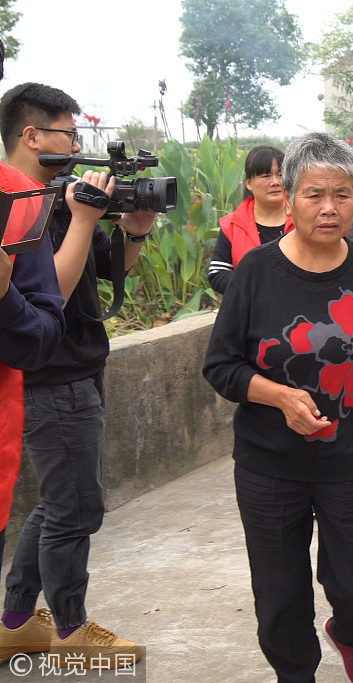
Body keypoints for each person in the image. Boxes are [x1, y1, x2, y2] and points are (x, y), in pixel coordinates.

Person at [204, 132, 353, 683]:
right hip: (269, 463)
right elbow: (221, 366)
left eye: (341, 194)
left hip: (349, 457)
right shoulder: (256, 271)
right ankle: (295, 673)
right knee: (280, 593)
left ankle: (348, 632)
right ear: (289, 197)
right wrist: (278, 395)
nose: (329, 208)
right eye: (314, 194)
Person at [0, 83, 155, 668]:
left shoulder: (63, 199)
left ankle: (16, 621)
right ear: (30, 135)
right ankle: (70, 631)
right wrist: (86, 218)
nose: (76, 145)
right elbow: (49, 301)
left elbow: (108, 272)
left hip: (84, 364)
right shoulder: (18, 209)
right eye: (67, 134)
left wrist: (133, 230)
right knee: (75, 510)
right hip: (52, 374)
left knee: (57, 502)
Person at [0, 40, 67, 661]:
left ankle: (51, 625)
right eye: (65, 135)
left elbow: (42, 335)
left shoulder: (20, 203)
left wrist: (4, 295)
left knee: (73, 506)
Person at [208, 145, 293, 294]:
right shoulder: (233, 225)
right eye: (266, 176)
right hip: (250, 306)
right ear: (248, 183)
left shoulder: (304, 220)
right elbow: (217, 274)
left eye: (280, 174)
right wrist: (258, 286)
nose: (275, 182)